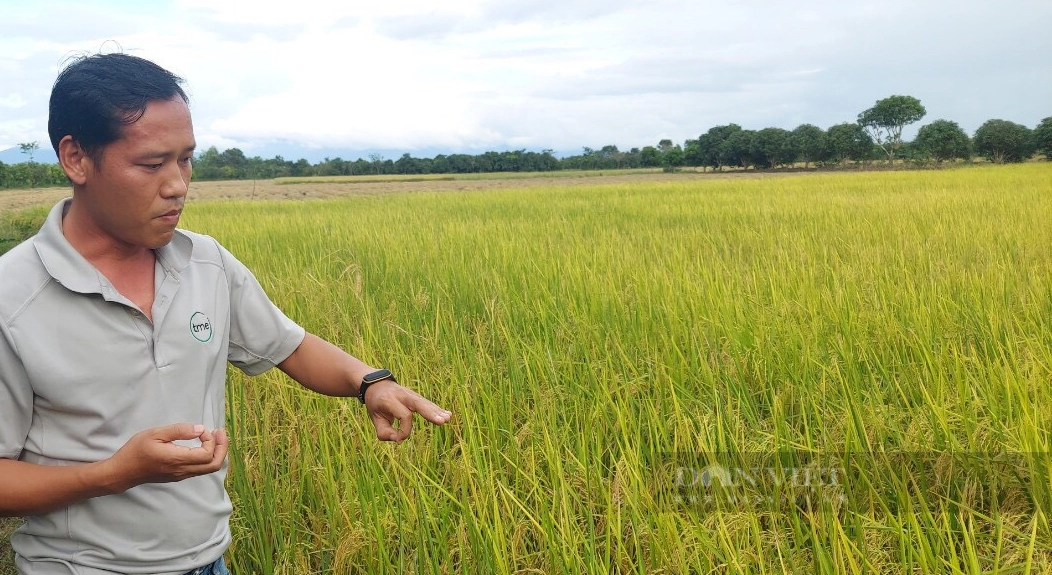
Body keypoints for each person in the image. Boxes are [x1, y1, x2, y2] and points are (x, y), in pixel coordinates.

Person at [0, 52, 452, 575]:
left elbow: (290, 346)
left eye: (186, 159)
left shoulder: (206, 263)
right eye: (151, 164)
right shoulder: (13, 298)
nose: (177, 184)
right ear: (75, 158)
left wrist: (369, 382)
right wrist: (116, 473)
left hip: (210, 562)